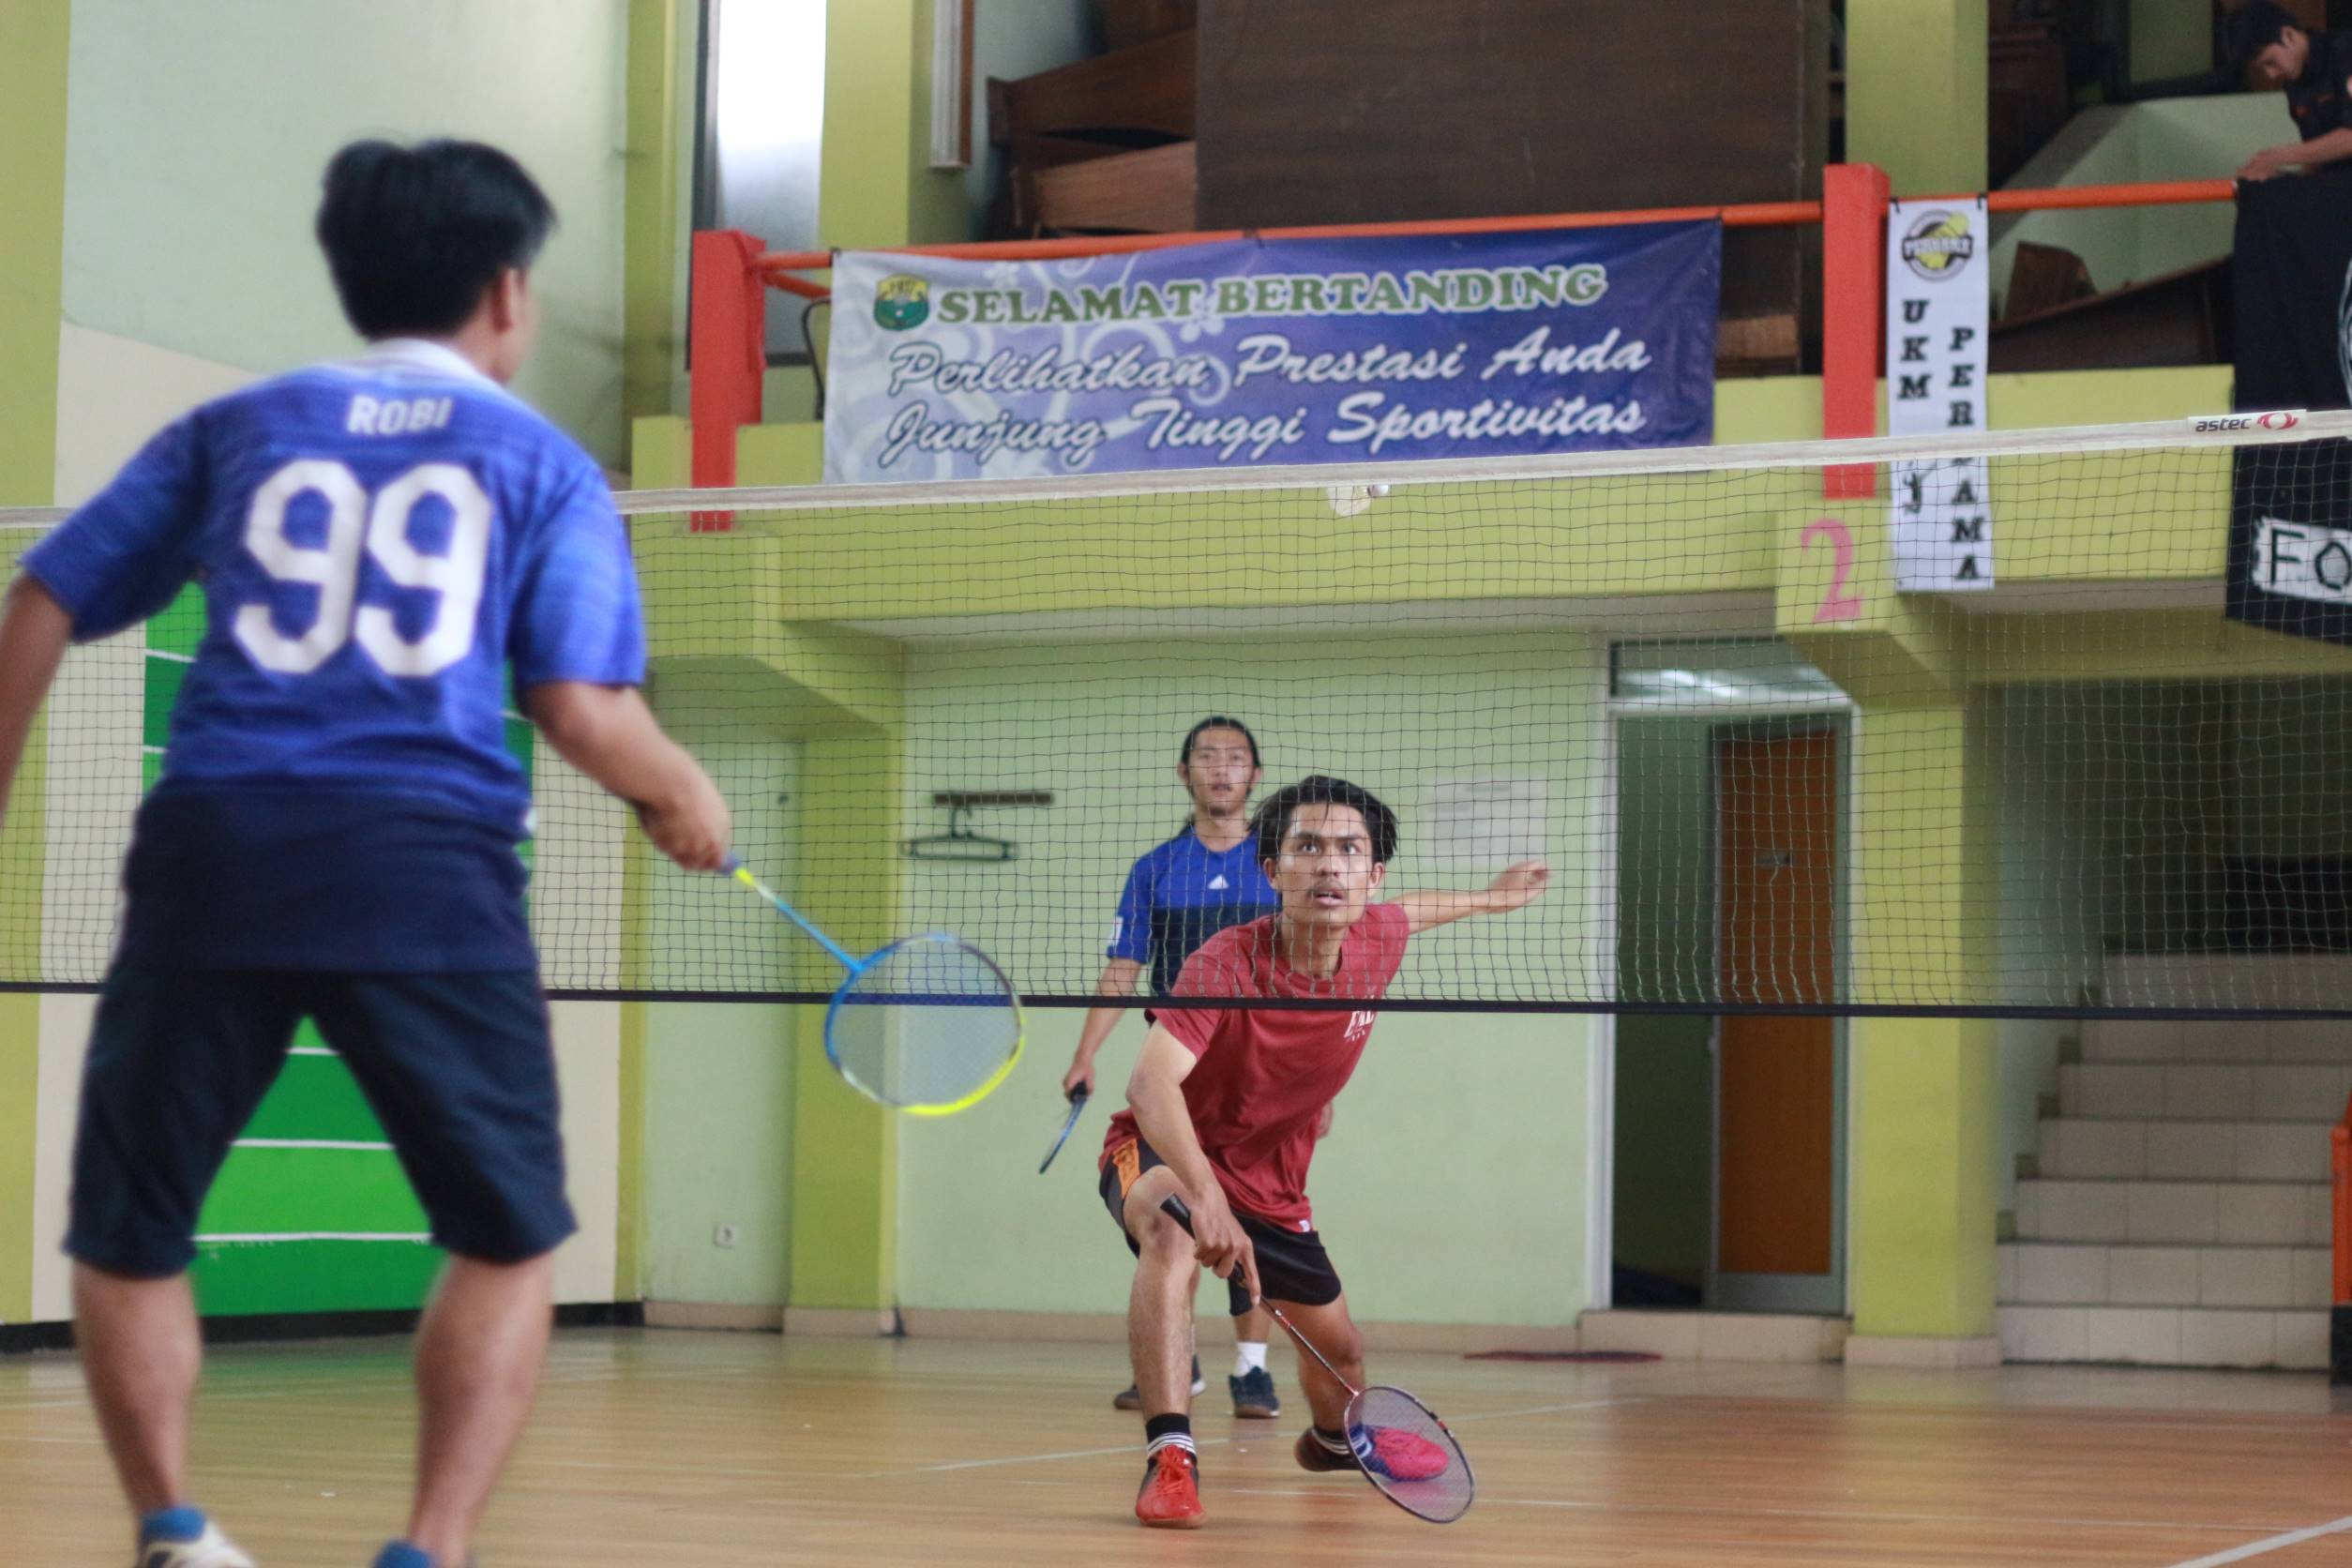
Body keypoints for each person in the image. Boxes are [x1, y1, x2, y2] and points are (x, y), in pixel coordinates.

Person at [0, 139, 731, 1568]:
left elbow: (41, 600)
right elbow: (581, 711)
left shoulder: (239, 423)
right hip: (424, 866)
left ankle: (172, 1529)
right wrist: (683, 790)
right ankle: (429, 1547)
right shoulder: (544, 464)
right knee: (507, 1235)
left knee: (130, 1225)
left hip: (213, 847)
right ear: (508, 294)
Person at [1095, 775, 1548, 1529]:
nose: (1329, 865)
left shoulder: (1376, 937)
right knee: (1172, 1234)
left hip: (1272, 1182)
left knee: (1342, 1352)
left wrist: (1493, 899)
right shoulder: (1225, 963)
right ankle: (1171, 1458)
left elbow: (1416, 910)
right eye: (1306, 847)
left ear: (1373, 875)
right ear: (1272, 871)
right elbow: (1150, 1087)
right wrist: (1206, 1195)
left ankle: (1337, 1441)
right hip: (1164, 1150)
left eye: (1349, 850)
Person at [1062, 716, 1294, 1418]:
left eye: (1236, 758)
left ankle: (1252, 1371)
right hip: (1177, 1073)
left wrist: (1309, 1083)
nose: (1221, 769)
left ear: (1255, 774)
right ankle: (1175, 1359)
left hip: (1263, 1076)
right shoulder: (1157, 869)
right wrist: (1085, 1054)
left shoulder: (1278, 865)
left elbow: (1303, 968)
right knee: (1173, 1212)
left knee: (1257, 1218)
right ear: (1184, 772)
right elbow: (1124, 966)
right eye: (1206, 757)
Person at [2229, 1, 2352, 180]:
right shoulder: (2294, 84)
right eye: (2262, 68)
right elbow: (2316, 160)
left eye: (2271, 62)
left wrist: (2279, 156)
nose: (2271, 75)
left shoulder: (2345, 53)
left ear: (2288, 35)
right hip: (2336, 186)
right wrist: (2282, 177)